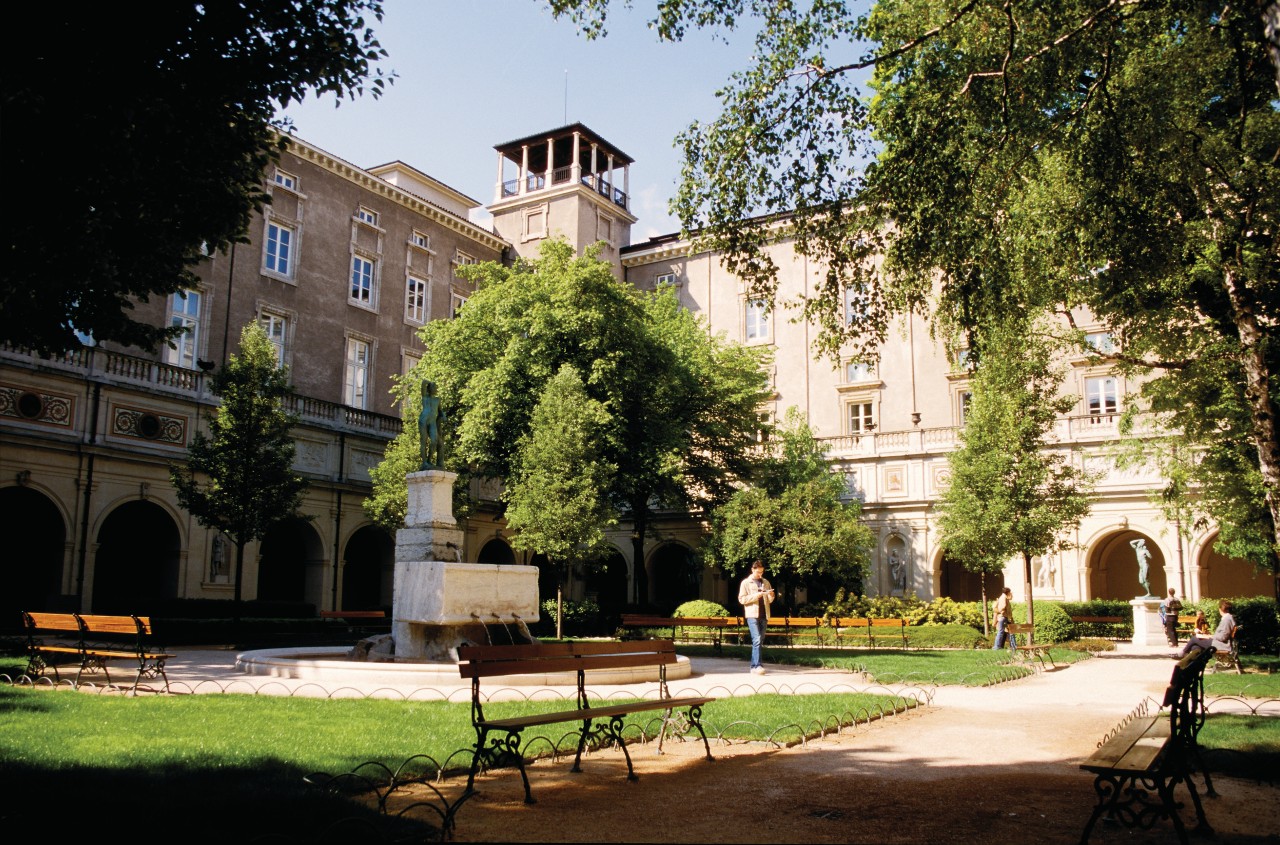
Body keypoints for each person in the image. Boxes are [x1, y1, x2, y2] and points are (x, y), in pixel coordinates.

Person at [738, 560, 774, 675]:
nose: (760, 574)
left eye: (762, 572)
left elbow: (769, 600)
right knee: (757, 639)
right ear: (752, 570)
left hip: (764, 615)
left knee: (759, 641)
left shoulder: (765, 582)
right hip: (752, 615)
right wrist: (756, 596)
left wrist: (771, 595)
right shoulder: (746, 583)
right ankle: (758, 666)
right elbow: (742, 599)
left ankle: (754, 666)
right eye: (758, 572)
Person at [418, 379, 444, 470]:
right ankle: (424, 462)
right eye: (433, 386)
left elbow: (441, 412)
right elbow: (423, 383)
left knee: (434, 441)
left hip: (432, 421)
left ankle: (429, 460)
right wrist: (429, 382)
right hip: (423, 420)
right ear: (429, 389)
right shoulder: (425, 397)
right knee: (424, 441)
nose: (435, 388)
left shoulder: (437, 400)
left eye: (436, 387)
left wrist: (443, 416)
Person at [992, 587, 1016, 651]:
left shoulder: (1004, 597)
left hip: (1006, 618)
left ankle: (1013, 646)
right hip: (1003, 618)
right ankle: (996, 647)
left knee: (1009, 631)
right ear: (1007, 592)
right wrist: (1002, 611)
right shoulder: (1003, 598)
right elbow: (1002, 607)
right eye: (1010, 592)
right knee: (1001, 631)